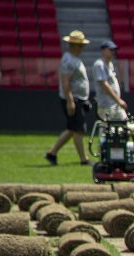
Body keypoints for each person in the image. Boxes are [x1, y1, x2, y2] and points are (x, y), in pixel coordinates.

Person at [46, 30, 92, 166]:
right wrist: (70, 101)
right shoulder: (69, 60)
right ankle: (83, 159)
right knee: (78, 129)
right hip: (74, 99)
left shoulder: (74, 59)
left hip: (78, 98)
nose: (82, 48)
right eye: (80, 45)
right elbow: (65, 81)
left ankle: (52, 153)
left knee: (72, 129)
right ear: (74, 45)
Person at [91, 40, 127, 122]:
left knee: (125, 126)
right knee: (106, 130)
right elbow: (104, 84)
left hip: (114, 104)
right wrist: (118, 100)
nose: (113, 52)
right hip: (107, 105)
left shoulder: (110, 64)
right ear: (103, 50)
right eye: (111, 50)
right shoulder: (99, 64)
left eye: (114, 50)